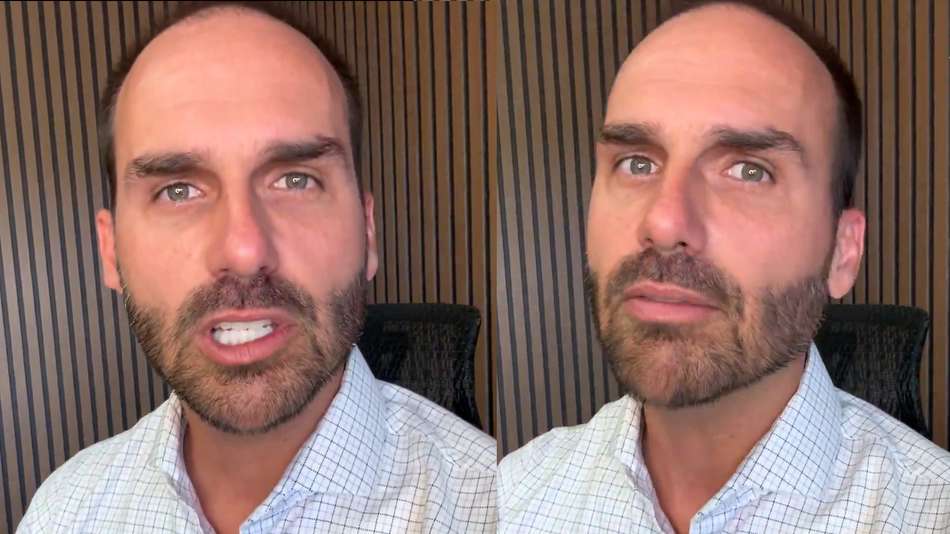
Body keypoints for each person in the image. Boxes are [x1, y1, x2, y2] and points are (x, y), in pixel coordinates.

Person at [18, 3, 495, 533]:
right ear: (111, 252)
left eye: (296, 180)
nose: (244, 251)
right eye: (178, 191)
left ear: (367, 231)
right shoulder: (64, 510)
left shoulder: (490, 505)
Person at [498, 1, 950, 532]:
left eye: (749, 171)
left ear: (842, 252)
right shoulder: (513, 496)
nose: (665, 223)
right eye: (637, 163)